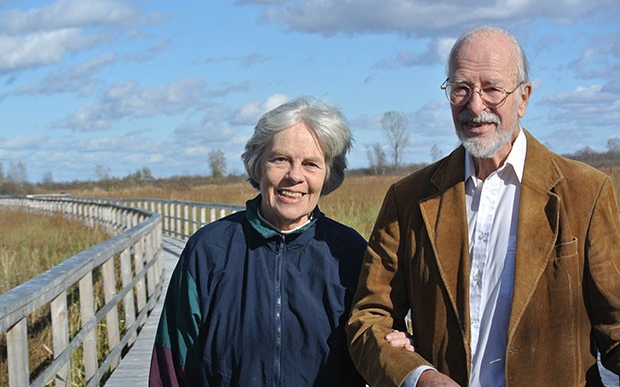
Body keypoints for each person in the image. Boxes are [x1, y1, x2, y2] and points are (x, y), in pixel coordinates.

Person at [346, 25, 620, 386]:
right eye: (461, 89)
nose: (475, 106)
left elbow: (616, 329)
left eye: (492, 88)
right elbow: (369, 317)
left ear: (523, 98)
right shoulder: (409, 198)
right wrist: (416, 375)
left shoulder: (586, 192)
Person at [149, 96, 367, 386]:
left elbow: (376, 349)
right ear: (258, 164)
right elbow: (171, 367)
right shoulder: (207, 250)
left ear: (328, 174)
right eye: (280, 159)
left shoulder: (350, 253)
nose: (295, 176)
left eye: (311, 164)